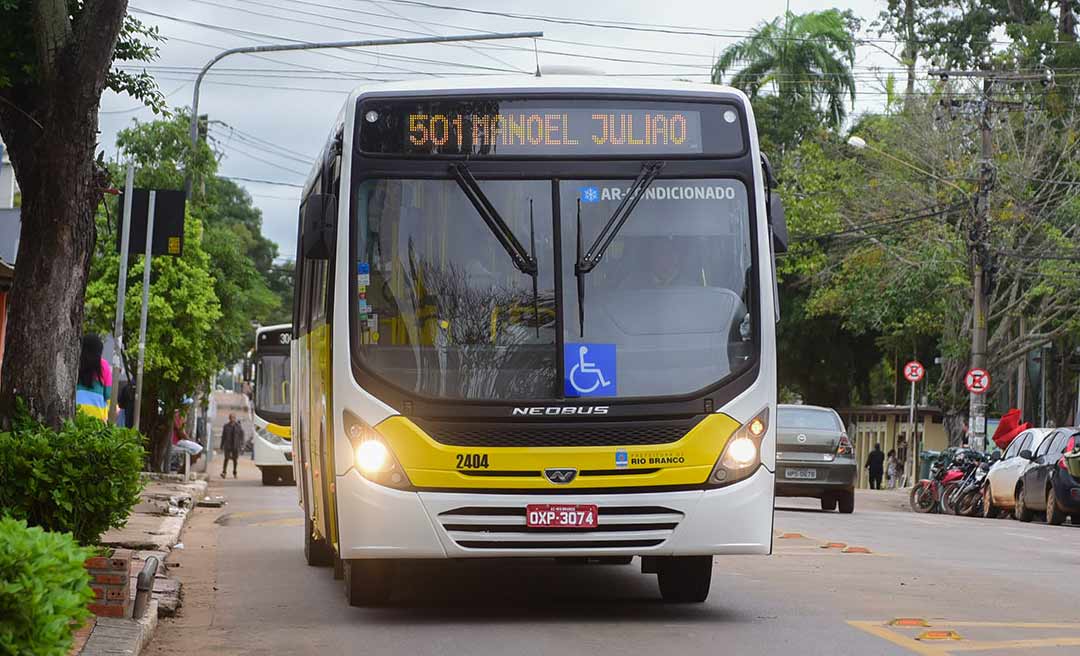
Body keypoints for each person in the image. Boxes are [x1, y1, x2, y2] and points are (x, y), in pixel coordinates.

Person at [75, 335, 110, 421]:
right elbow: (108, 394)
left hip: (77, 413)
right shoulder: (104, 365)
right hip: (98, 416)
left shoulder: (76, 363)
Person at [220, 413, 243, 479]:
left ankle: (235, 472)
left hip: (235, 445)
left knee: (235, 460)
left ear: (235, 418)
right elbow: (223, 436)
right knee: (226, 458)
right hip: (228, 445)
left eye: (233, 417)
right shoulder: (226, 426)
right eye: (231, 417)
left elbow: (241, 436)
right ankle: (224, 472)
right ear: (229, 418)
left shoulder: (238, 426)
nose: (232, 419)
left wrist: (241, 445)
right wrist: (221, 445)